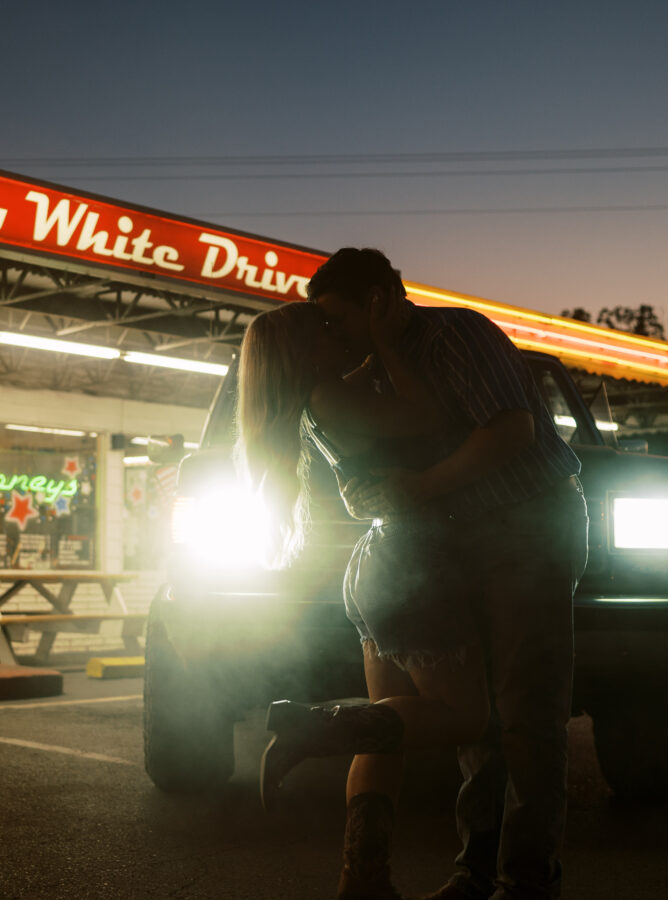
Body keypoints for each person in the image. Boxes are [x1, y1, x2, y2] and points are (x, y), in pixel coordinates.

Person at [305, 248, 589, 900]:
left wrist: (421, 488)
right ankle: (474, 872)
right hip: (452, 542)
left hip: (529, 526)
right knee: (478, 720)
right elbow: (371, 470)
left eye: (337, 318)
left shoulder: (457, 333)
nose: (331, 336)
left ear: (380, 300)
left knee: (526, 711)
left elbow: (511, 431)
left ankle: (524, 880)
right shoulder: (370, 375)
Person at [236, 297, 492, 900]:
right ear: (305, 352)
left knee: (390, 730)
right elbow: (429, 417)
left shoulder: (314, 404)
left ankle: (363, 879)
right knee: (469, 718)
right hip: (414, 564)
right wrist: (391, 345)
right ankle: (313, 729)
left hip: (383, 567)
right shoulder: (331, 398)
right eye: (323, 328)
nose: (338, 330)